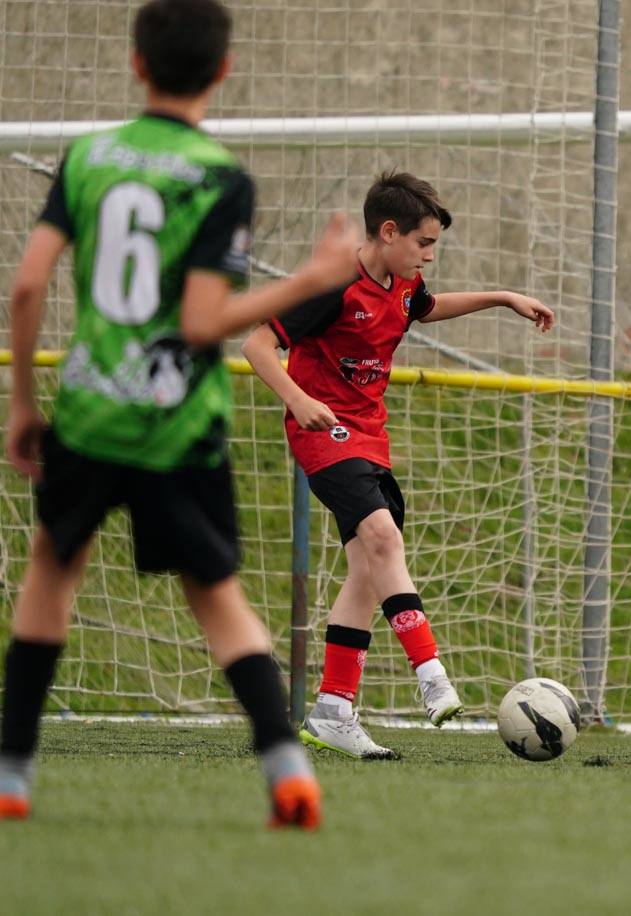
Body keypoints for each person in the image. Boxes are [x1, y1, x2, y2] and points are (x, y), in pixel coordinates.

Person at [0, 0, 362, 826]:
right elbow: (200, 324)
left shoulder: (88, 156)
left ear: (136, 62)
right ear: (224, 70)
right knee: (217, 595)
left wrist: (26, 402)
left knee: (50, 577)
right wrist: (310, 279)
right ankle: (285, 769)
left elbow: (26, 285)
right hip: (177, 427)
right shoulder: (218, 176)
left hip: (89, 416)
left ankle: (12, 776)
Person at [241, 170, 555, 760]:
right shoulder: (333, 286)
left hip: (370, 439)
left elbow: (428, 307)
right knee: (383, 537)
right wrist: (300, 400)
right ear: (389, 232)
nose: (429, 256)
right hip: (326, 434)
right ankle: (431, 673)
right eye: (424, 244)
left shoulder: (404, 286)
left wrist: (504, 296)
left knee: (366, 569)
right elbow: (257, 344)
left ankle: (334, 711)